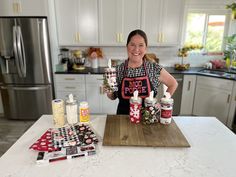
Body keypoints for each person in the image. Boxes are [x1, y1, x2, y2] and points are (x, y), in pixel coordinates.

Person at [106, 29, 178, 114]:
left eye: (141, 45)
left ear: (145, 48)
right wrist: (108, 90)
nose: (136, 49)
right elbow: (113, 97)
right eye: (132, 45)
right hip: (122, 120)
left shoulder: (154, 68)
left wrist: (162, 102)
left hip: (147, 121)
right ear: (127, 46)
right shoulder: (118, 70)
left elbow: (173, 84)